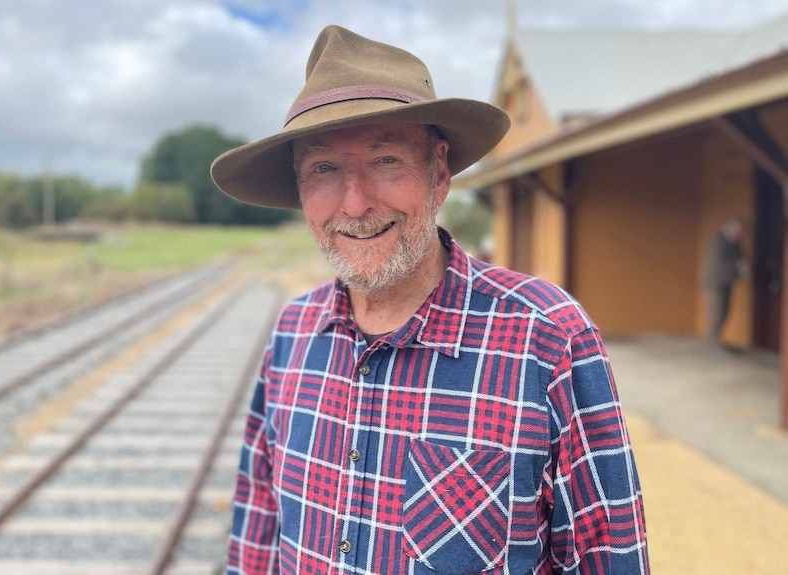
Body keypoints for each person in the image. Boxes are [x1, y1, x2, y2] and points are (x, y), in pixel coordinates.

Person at [211, 25, 649, 575]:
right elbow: (257, 535)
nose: (355, 202)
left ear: (439, 172)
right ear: (300, 189)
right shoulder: (291, 334)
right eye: (323, 168)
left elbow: (609, 558)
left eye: (386, 159)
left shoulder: (549, 338)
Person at [702, 218, 747, 348]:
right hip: (715, 282)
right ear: (731, 228)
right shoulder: (718, 241)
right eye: (739, 232)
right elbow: (719, 262)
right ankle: (711, 340)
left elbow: (740, 258)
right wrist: (738, 267)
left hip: (727, 281)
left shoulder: (735, 244)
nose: (740, 235)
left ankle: (716, 338)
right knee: (716, 309)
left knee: (725, 309)